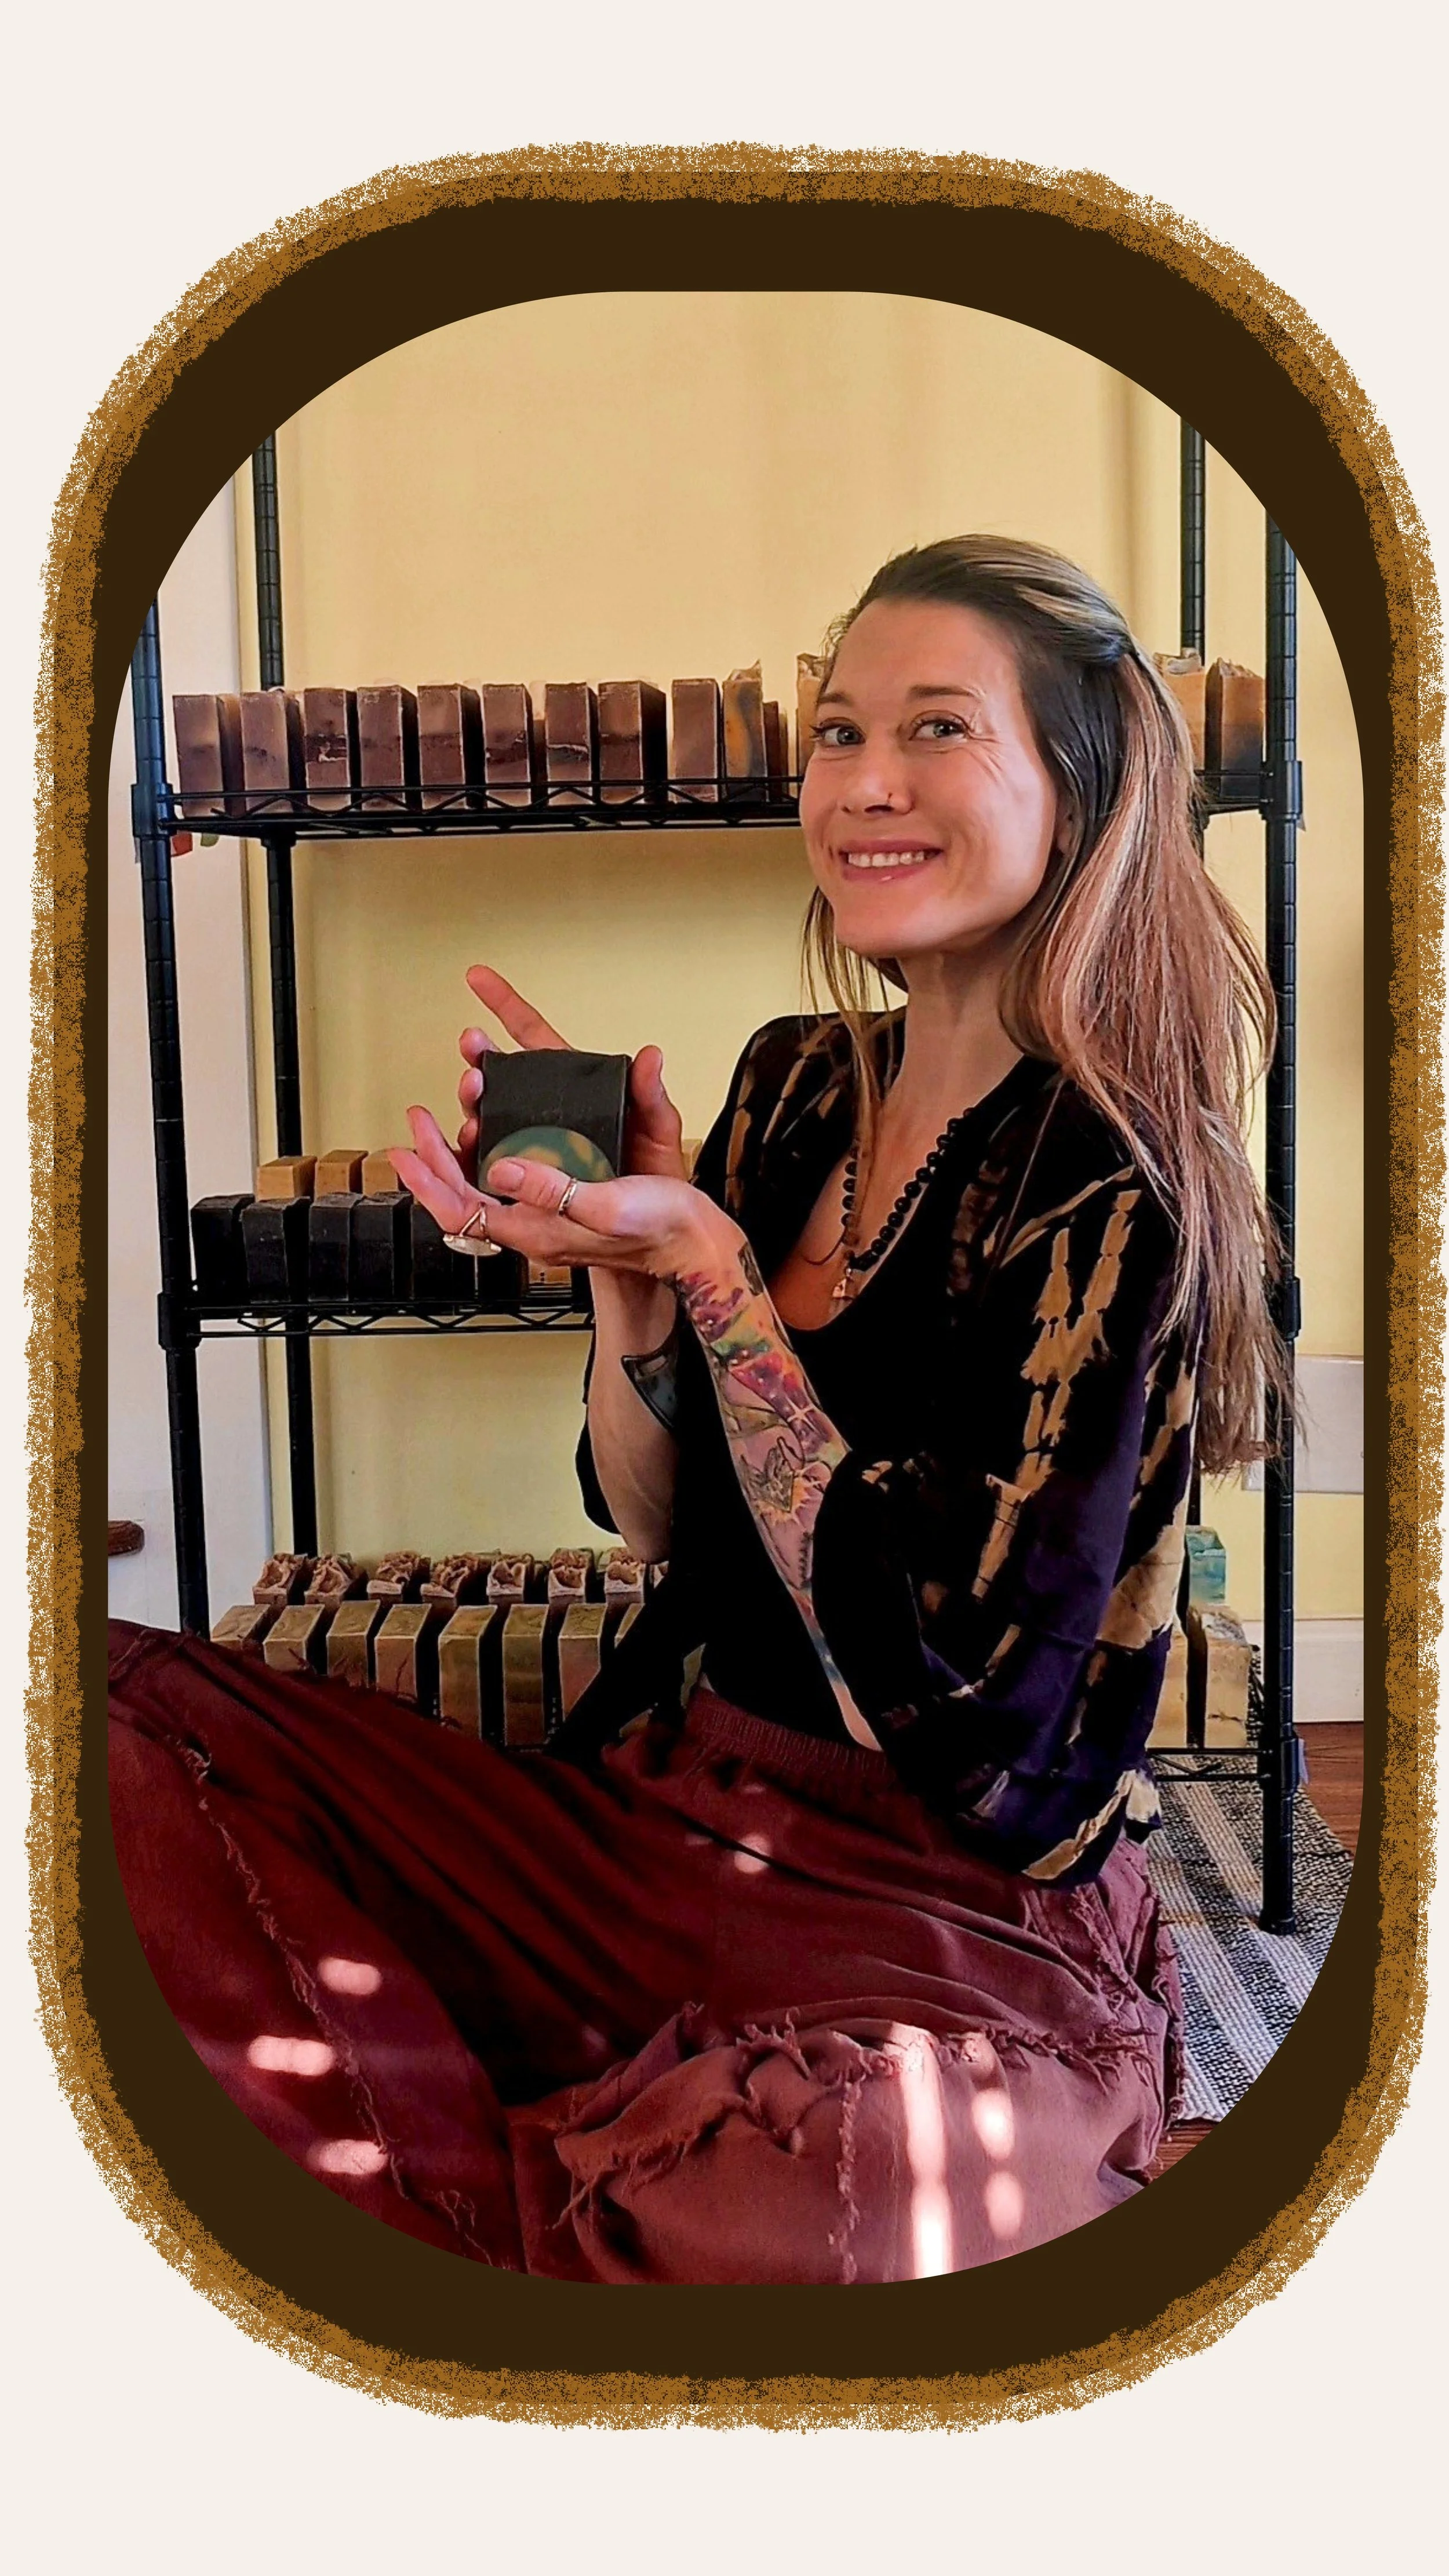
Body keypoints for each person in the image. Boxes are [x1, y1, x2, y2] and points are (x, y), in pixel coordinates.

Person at [109, 536, 1280, 2284]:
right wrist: (627, 1279)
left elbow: (965, 1723)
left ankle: (452, 2192)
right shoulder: (793, 1079)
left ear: (1080, 786)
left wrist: (725, 1279)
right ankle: (549, 2193)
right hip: (668, 1818)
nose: (864, 783)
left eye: (937, 728)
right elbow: (661, 1528)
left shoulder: (1115, 1186)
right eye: (834, 731)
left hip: (949, 1917)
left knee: (880, 2173)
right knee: (98, 1710)